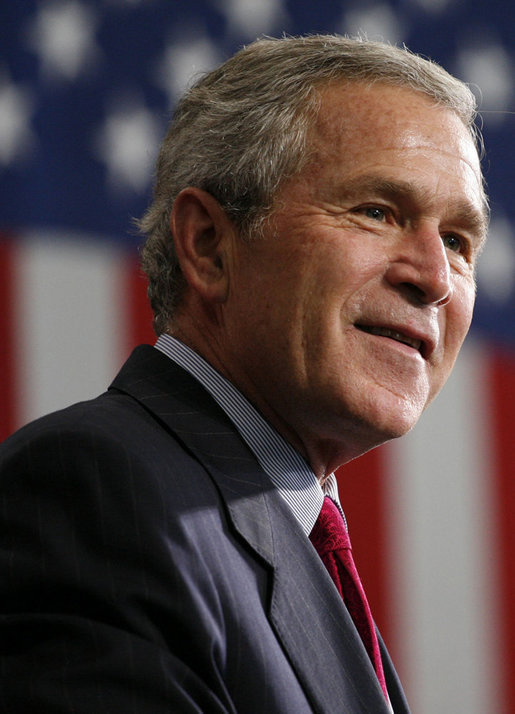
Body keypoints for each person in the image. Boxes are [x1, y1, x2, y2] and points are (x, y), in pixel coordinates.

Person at [0, 34, 487, 713]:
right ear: (208, 246)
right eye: (377, 212)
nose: (434, 278)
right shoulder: (99, 493)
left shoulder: (296, 540)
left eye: (459, 242)